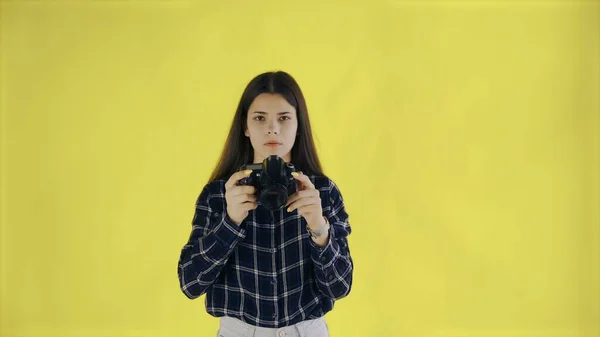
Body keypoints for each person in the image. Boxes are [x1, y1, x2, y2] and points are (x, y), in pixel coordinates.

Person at [177, 71, 353, 337]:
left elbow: (340, 287)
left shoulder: (322, 192)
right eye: (260, 118)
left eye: (284, 118)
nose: (272, 129)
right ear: (245, 127)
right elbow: (190, 283)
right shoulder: (218, 195)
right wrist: (230, 223)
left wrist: (319, 229)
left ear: (298, 125)